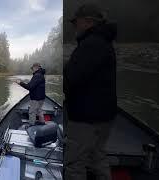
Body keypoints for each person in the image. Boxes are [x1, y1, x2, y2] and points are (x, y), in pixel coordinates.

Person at [64, 3, 117, 180]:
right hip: (104, 116)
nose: (74, 26)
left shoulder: (90, 44)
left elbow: (73, 78)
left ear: (88, 22)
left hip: (85, 118)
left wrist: (66, 68)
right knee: (97, 157)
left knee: (75, 164)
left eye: (75, 22)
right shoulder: (104, 42)